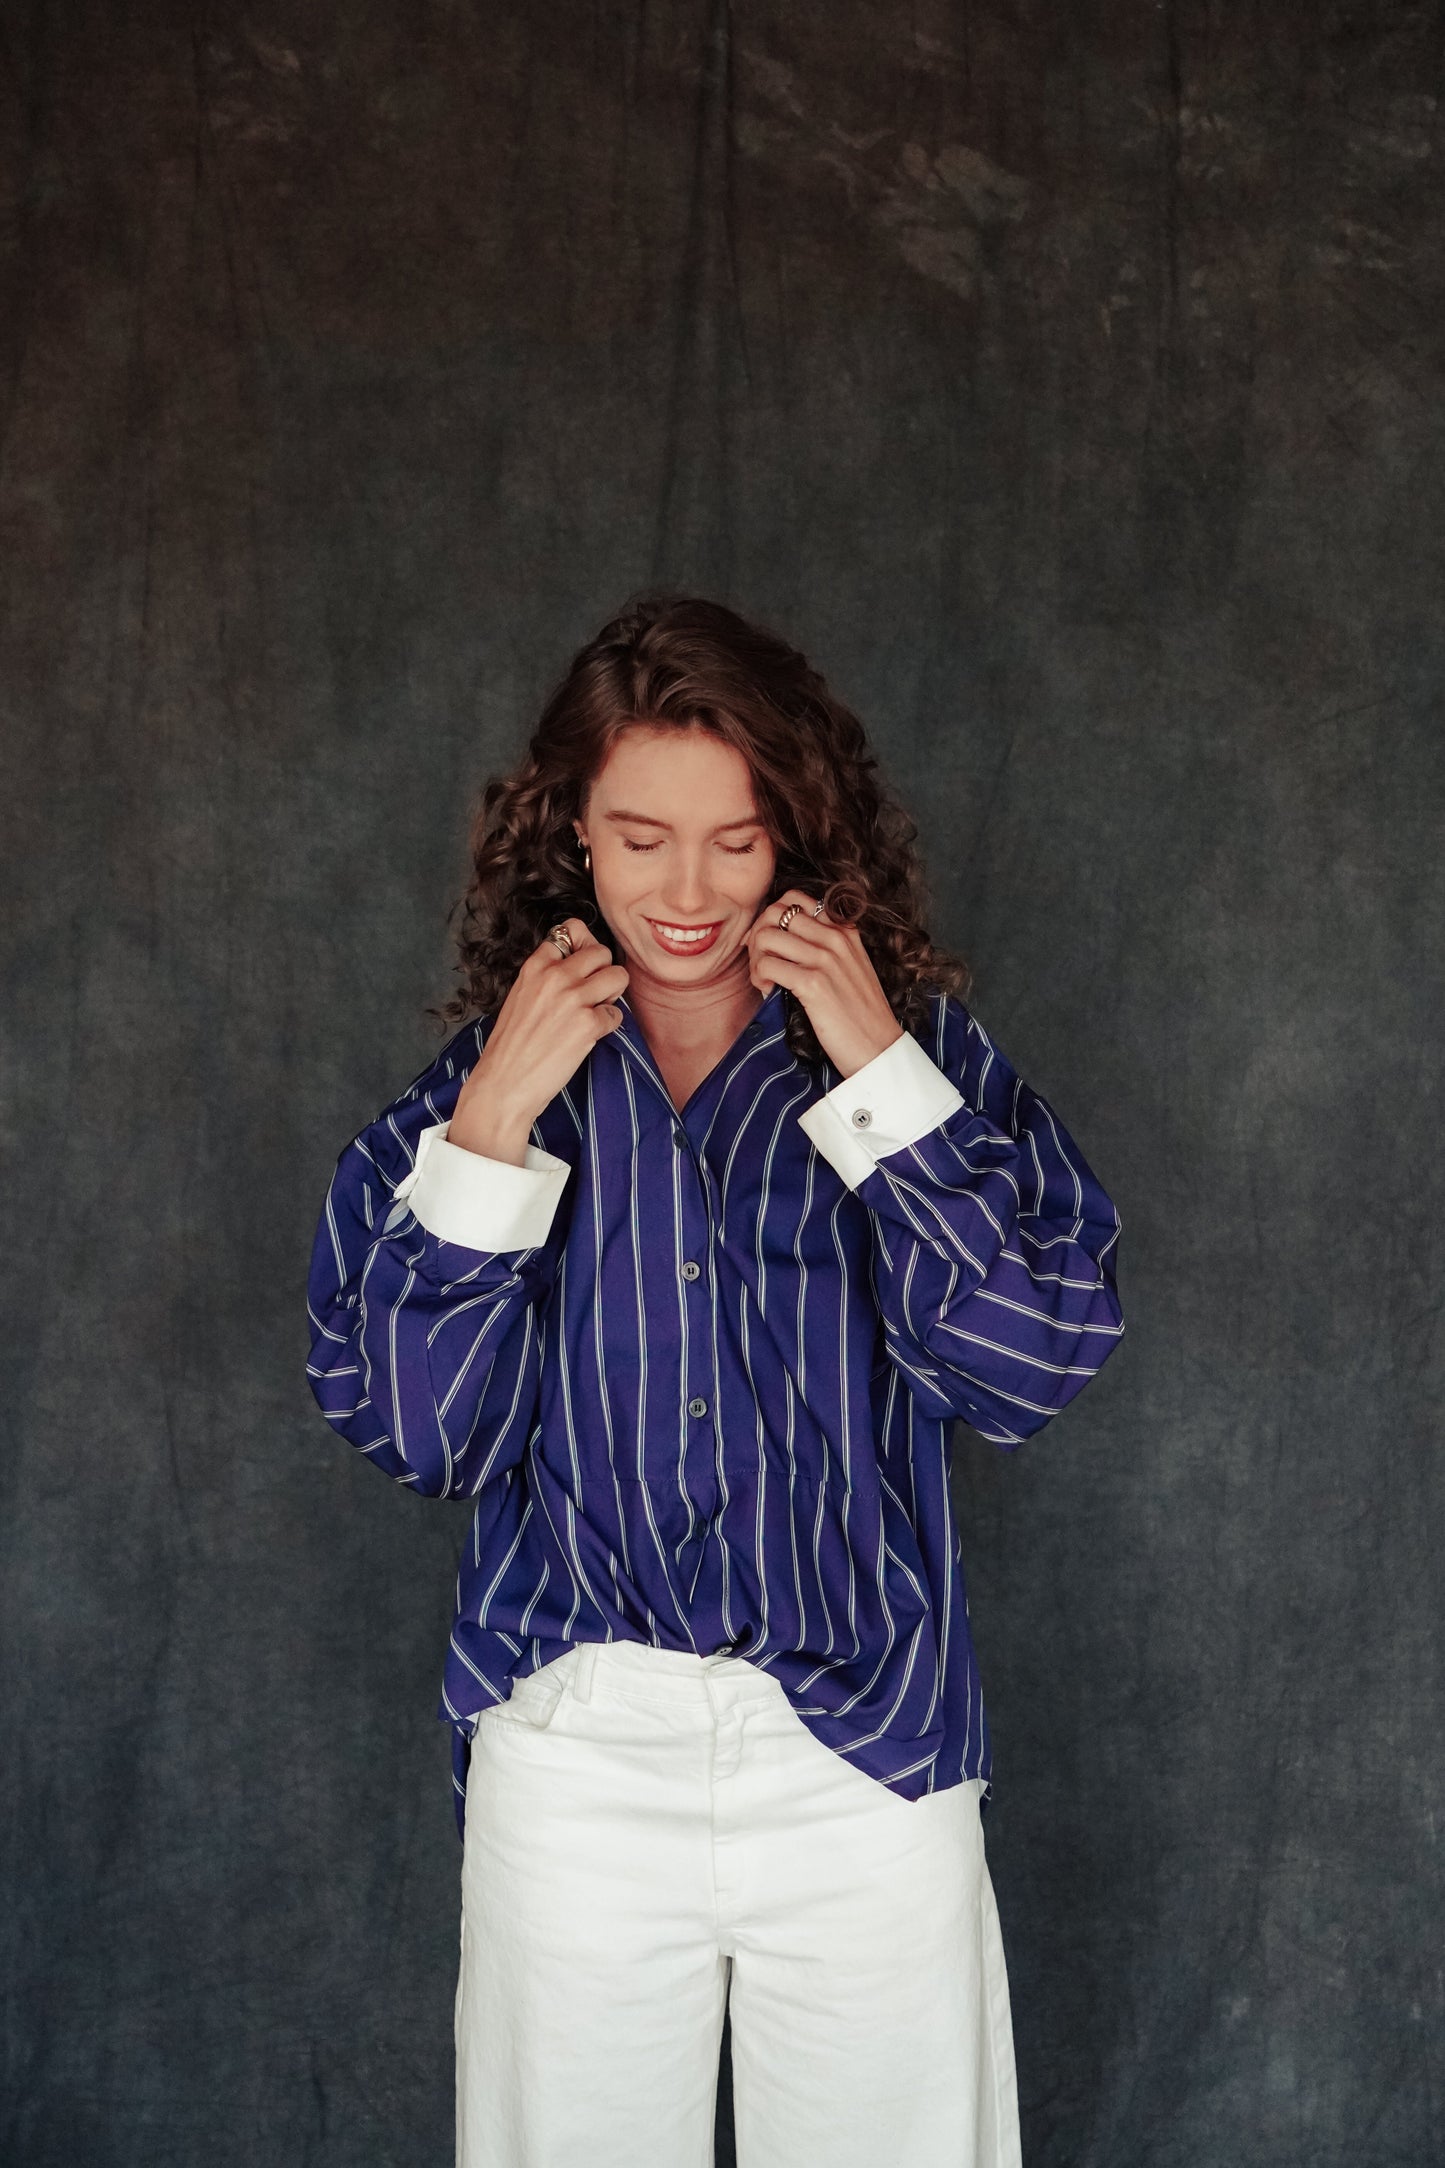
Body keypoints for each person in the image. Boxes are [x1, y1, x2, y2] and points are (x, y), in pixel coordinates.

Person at [306, 594, 1125, 2167]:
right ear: (569, 840)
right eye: (638, 838)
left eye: (736, 842)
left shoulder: (914, 1056)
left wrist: (882, 1072)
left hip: (867, 1751)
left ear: (799, 838)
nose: (685, 891)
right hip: (573, 1749)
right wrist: (489, 1134)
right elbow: (421, 1437)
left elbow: (1024, 1370)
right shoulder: (483, 1089)